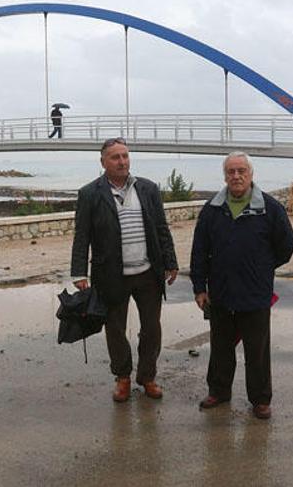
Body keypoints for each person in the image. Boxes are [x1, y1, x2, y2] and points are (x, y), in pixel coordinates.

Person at [71, 137, 179, 402]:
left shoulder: (148, 189)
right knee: (115, 329)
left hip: (147, 273)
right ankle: (122, 377)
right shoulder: (90, 193)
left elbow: (161, 229)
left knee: (151, 328)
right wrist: (79, 272)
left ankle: (147, 377)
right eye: (115, 157)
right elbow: (82, 235)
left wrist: (171, 261)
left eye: (125, 156)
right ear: (103, 162)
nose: (122, 161)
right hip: (111, 275)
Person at [190, 151, 293, 419]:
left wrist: (262, 268)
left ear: (251, 174)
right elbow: (199, 250)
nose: (236, 176)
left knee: (257, 350)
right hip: (221, 293)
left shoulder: (270, 208)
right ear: (225, 175)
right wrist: (199, 287)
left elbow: (287, 245)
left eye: (241, 171)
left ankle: (260, 399)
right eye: (231, 172)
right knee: (221, 347)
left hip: (255, 293)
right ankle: (219, 391)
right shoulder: (212, 209)